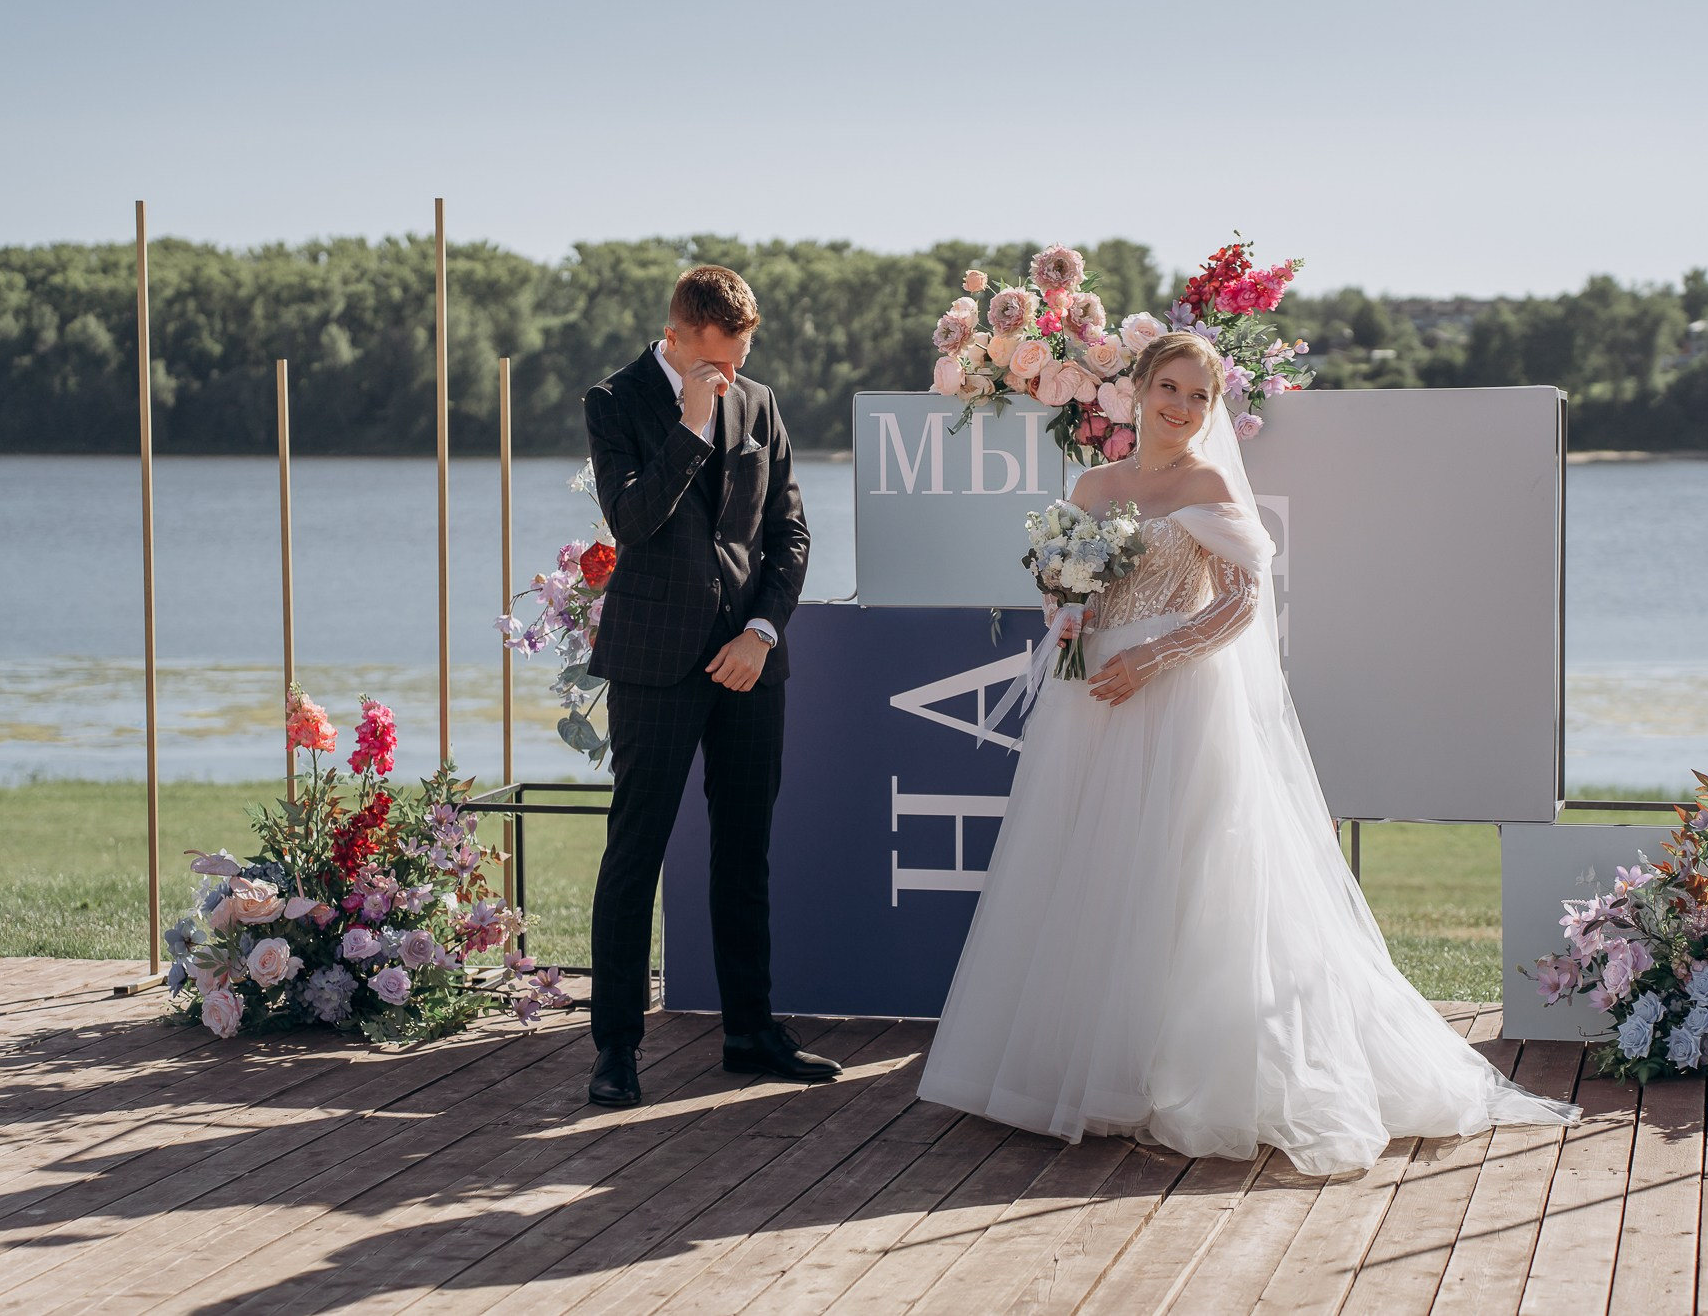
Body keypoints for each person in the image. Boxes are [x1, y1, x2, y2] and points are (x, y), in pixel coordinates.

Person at [917, 331, 1578, 1174]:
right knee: (1091, 869)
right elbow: (1062, 586)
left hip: (1178, 697)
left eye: (1200, 396)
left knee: (1183, 877)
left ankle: (1180, 1076)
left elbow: (1240, 601)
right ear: (1140, 388)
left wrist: (1150, 657)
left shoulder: (1209, 481)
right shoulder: (1092, 484)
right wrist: (1064, 599)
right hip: (1094, 701)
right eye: (1171, 388)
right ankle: (1090, 1069)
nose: (1183, 408)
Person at [582, 264, 839, 1107]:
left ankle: (750, 1029)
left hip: (748, 665)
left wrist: (762, 632)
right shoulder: (614, 400)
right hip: (655, 663)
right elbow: (631, 521)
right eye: (718, 357)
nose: (730, 372)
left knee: (744, 848)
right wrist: (691, 426)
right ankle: (616, 1047)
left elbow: (790, 532)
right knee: (636, 852)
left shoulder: (760, 402)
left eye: (741, 354)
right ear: (680, 332)